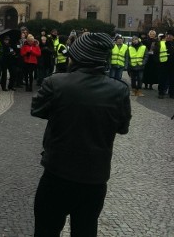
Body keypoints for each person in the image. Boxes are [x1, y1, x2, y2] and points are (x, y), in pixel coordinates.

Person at [31, 32, 132, 236]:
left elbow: (37, 110)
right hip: (94, 176)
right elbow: (122, 127)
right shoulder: (119, 90)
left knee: (46, 230)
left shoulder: (56, 83)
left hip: (57, 172)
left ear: (77, 57)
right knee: (85, 230)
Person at [155, 30, 174, 99]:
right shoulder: (160, 43)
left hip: (172, 65)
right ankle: (161, 93)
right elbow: (156, 54)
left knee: (172, 80)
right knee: (162, 79)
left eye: (170, 35)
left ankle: (172, 93)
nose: (168, 36)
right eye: (167, 35)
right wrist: (158, 62)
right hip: (163, 65)